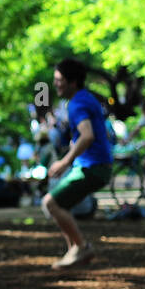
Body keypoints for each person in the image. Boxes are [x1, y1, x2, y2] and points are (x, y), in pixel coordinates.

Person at [42, 59, 113, 269]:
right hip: (95, 165)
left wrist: (65, 161)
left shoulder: (77, 103)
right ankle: (75, 251)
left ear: (72, 82)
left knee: (51, 203)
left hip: (92, 167)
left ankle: (81, 247)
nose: (55, 84)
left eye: (59, 80)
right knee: (60, 205)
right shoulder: (84, 99)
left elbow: (87, 136)